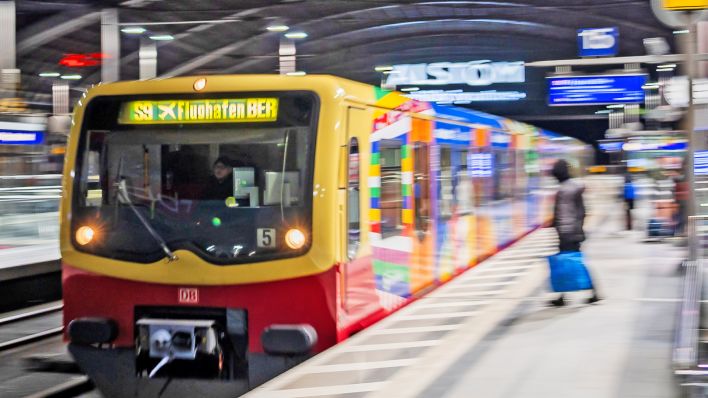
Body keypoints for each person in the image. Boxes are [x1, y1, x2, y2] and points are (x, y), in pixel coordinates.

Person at [549, 159, 600, 306]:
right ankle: (566, 295)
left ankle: (592, 292)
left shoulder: (565, 190)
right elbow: (580, 212)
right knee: (569, 262)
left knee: (569, 262)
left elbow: (564, 213)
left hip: (567, 232)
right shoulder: (573, 188)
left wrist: (559, 227)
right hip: (572, 231)